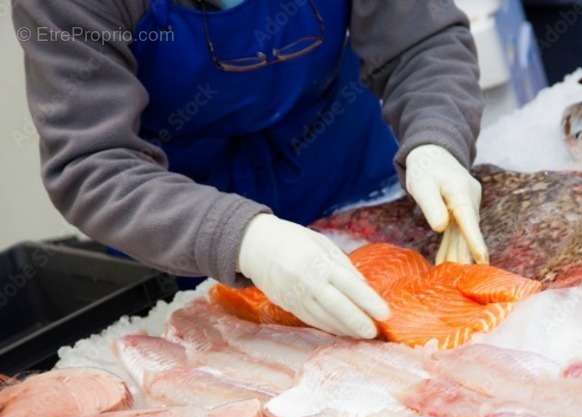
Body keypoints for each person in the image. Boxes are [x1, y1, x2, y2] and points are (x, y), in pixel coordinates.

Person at [12, 0, 488, 339]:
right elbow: (93, 164)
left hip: (352, 186)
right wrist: (244, 240)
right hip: (184, 237)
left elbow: (422, 43)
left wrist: (435, 138)